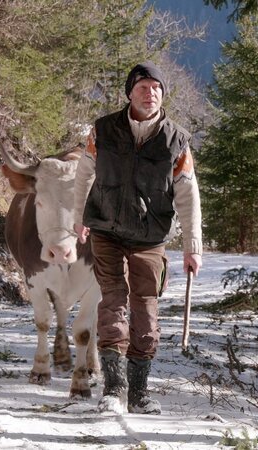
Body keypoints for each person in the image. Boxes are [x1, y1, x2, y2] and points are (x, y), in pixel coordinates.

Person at [72, 61, 203, 415]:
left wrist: (193, 247)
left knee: (145, 309)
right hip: (107, 229)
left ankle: (140, 392)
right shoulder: (103, 130)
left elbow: (188, 195)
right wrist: (78, 218)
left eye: (156, 88)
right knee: (113, 302)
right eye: (143, 87)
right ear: (130, 92)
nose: (151, 93)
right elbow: (85, 173)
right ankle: (114, 389)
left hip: (149, 236)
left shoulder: (176, 140)